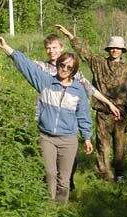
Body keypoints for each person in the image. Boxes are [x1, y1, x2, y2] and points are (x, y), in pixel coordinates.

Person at [0, 32, 93, 202]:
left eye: (69, 67)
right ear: (58, 65)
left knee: (64, 180)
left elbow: (83, 114)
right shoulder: (46, 82)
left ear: (74, 70)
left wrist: (87, 138)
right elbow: (27, 65)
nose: (64, 69)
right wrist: (5, 47)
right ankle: (49, 210)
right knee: (50, 175)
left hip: (68, 140)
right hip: (47, 137)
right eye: (62, 65)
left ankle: (60, 212)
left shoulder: (78, 90)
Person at [35, 33, 121, 191]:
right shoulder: (42, 68)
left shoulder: (74, 71)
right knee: (50, 165)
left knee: (70, 161)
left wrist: (109, 103)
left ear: (61, 48)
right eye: (48, 48)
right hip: (49, 120)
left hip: (69, 122)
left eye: (54, 48)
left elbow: (90, 89)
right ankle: (53, 193)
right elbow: (27, 66)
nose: (51, 51)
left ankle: (66, 184)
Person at [55, 24, 127, 183]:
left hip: (121, 113)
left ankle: (119, 174)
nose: (115, 50)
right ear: (108, 49)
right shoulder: (99, 63)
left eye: (118, 48)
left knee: (120, 146)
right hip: (103, 112)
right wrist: (69, 35)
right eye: (112, 48)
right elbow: (84, 52)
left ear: (122, 51)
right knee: (103, 145)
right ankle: (105, 175)